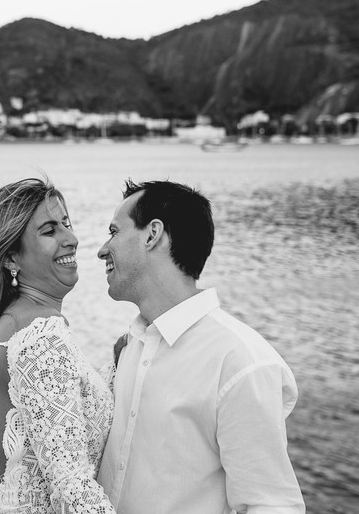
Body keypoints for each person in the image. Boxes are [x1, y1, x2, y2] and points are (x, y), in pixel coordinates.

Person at [96, 179, 305, 513]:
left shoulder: (240, 361)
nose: (103, 249)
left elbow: (272, 504)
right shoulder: (131, 345)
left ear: (152, 234)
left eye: (114, 232)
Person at [0, 178, 117, 514]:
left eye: (66, 224)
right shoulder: (39, 335)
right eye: (49, 231)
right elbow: (74, 490)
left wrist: (117, 368)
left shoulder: (14, 324)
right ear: (11, 257)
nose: (71, 239)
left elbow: (52, 409)